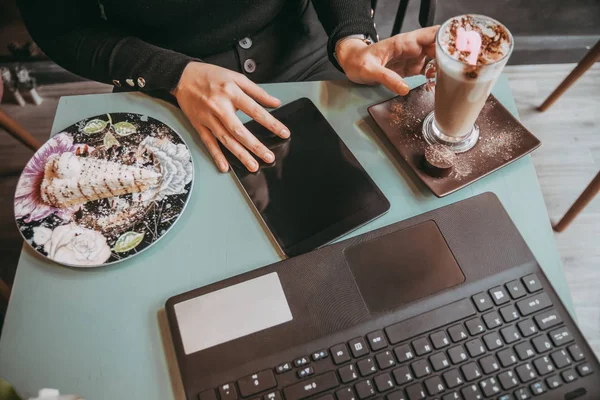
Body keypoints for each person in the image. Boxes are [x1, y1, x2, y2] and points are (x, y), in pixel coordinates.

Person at [18, 0, 437, 172]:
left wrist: (352, 37)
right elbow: (61, 29)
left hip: (304, 44)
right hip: (166, 71)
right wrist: (174, 73)